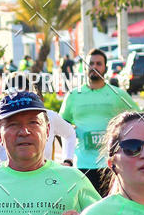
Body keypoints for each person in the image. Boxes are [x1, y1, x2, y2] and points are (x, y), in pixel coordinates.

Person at [59, 49, 139, 195]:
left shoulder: (118, 94)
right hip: (82, 164)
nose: (94, 67)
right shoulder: (73, 95)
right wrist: (68, 156)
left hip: (111, 164)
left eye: (98, 64)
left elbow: (138, 120)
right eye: (91, 63)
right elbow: (61, 128)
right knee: (86, 209)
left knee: (110, 208)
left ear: (106, 68)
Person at [0, 76, 76, 169]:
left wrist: (68, 161)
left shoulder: (48, 116)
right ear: (5, 96)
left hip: (45, 182)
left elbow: (69, 133)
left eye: (33, 123)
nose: (20, 100)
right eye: (13, 125)